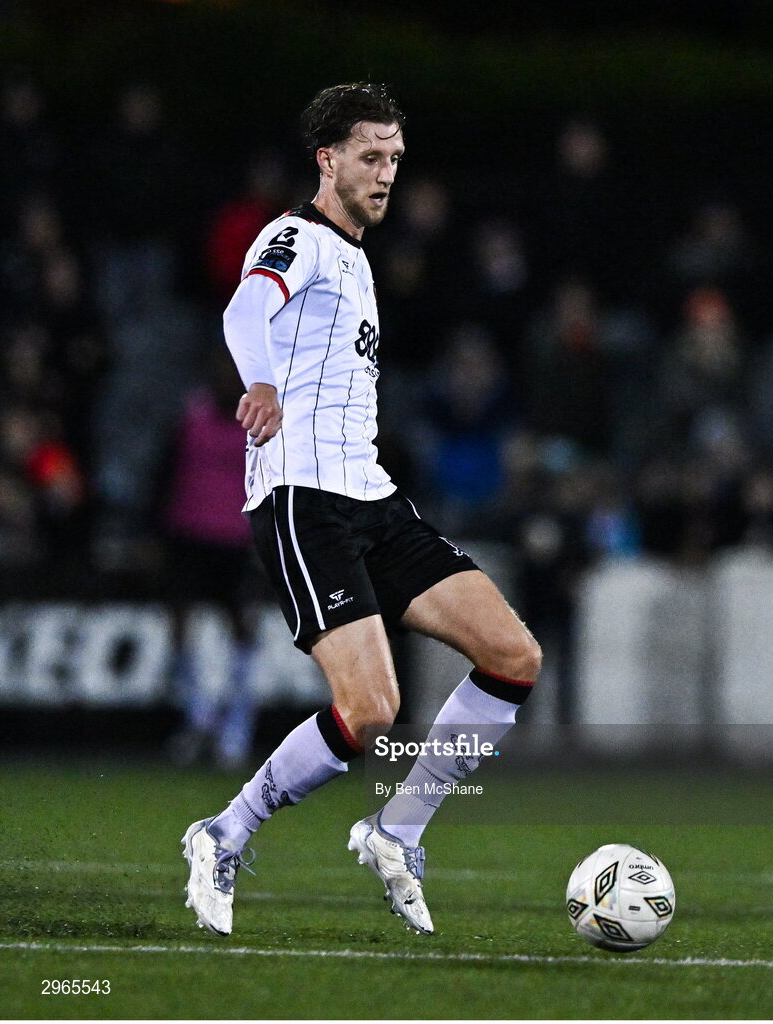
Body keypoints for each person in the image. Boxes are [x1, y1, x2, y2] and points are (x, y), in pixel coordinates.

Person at [181, 83, 542, 937]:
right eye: (370, 157)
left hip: (373, 498)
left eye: (394, 160)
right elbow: (245, 309)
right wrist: (261, 380)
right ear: (328, 159)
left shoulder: (357, 256)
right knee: (370, 711)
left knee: (513, 656)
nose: (385, 175)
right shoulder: (295, 236)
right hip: (305, 502)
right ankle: (224, 832)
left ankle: (396, 831)